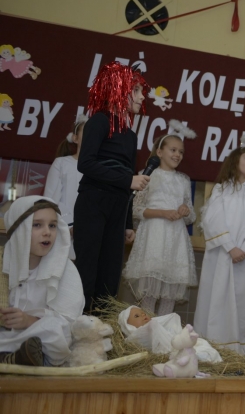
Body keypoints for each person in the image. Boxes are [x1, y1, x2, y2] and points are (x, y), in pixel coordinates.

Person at [73, 62, 151, 313]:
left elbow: (128, 181)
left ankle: (102, 326)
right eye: (136, 90)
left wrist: (127, 223)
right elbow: (85, 164)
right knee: (87, 270)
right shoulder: (99, 121)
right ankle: (79, 324)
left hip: (118, 208)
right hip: (93, 203)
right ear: (118, 90)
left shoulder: (130, 135)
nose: (142, 96)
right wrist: (127, 181)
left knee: (110, 274)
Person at [194, 139, 245, 356]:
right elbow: (213, 219)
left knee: (244, 302)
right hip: (222, 255)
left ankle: (241, 353)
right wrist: (230, 247)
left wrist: (244, 247)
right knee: (217, 299)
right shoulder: (220, 190)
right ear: (234, 161)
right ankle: (212, 349)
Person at [123, 121, 198, 316]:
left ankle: (164, 331)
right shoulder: (146, 176)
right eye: (173, 150)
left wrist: (184, 210)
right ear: (159, 152)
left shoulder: (183, 180)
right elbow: (136, 209)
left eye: (181, 152)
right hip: (154, 236)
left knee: (169, 294)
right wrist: (163, 213)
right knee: (150, 292)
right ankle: (146, 329)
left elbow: (191, 215)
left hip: (176, 239)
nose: (177, 155)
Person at [0, 196, 84, 366]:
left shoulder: (65, 269)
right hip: (5, 334)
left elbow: (68, 323)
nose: (47, 232)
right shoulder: (3, 261)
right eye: (37, 225)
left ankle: (21, 357)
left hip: (38, 337)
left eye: (52, 225)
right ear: (19, 230)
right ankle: (14, 358)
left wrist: (28, 321)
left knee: (56, 333)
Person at [44, 114, 88, 260]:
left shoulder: (101, 169)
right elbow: (50, 199)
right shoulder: (61, 163)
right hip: (63, 229)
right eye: (87, 132)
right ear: (75, 138)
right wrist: (69, 225)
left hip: (90, 232)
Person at [118, 305, 222, 362]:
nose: (143, 315)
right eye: (137, 316)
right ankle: (194, 356)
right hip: (171, 350)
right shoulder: (133, 339)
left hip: (175, 343)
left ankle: (196, 354)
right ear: (128, 326)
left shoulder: (154, 324)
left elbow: (169, 331)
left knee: (201, 343)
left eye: (143, 313)